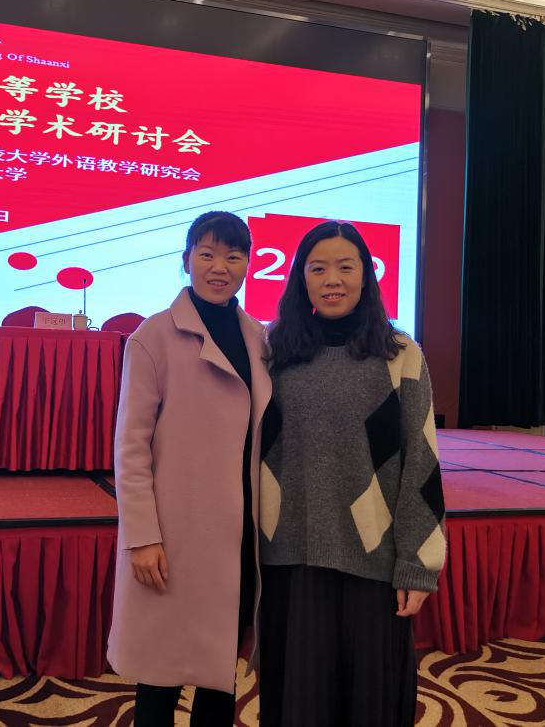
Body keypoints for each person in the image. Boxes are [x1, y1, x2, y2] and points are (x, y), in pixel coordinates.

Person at [256, 220, 446, 727]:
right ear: (300, 277)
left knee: (369, 703)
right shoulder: (273, 353)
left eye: (346, 266)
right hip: (289, 555)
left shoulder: (399, 354)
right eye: (317, 268)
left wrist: (418, 565)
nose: (332, 280)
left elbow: (421, 461)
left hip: (373, 557)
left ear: (367, 274)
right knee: (297, 703)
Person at [108, 210, 271, 727]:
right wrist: (141, 536)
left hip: (238, 536)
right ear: (186, 260)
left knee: (219, 675)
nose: (220, 267)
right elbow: (131, 447)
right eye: (207, 254)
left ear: (247, 265)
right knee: (159, 677)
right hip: (173, 538)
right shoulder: (153, 336)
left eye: (233, 256)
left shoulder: (260, 339)